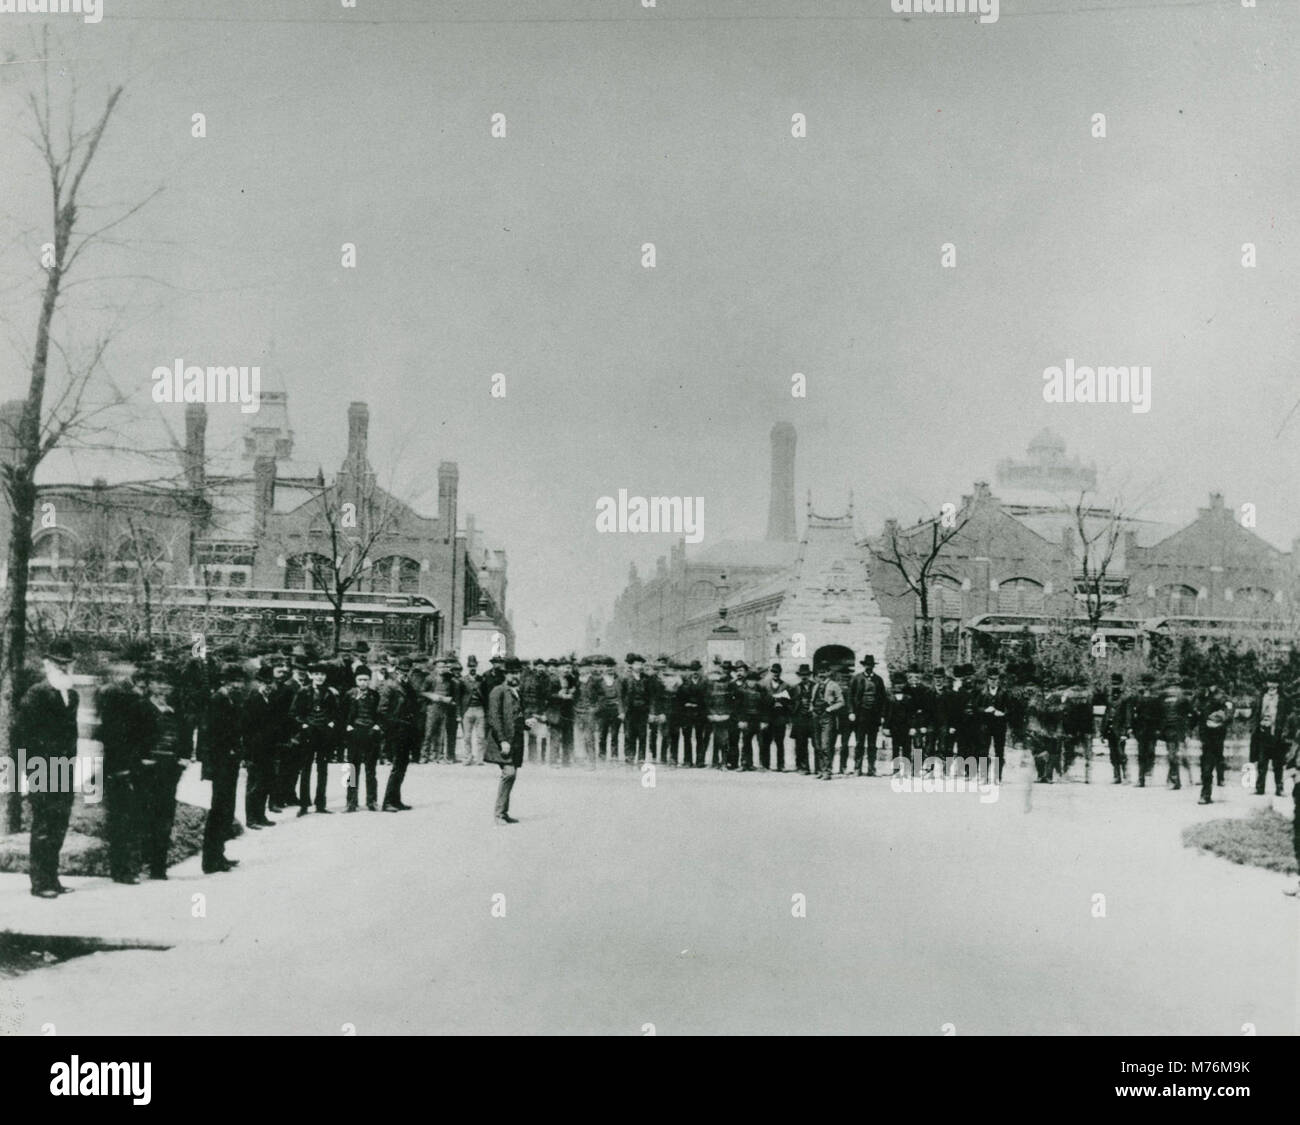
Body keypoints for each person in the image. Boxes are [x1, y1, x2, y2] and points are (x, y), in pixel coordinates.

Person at [17, 640, 80, 898]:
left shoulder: (72, 695)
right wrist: (28, 771)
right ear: (47, 664)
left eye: (67, 663)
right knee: (43, 825)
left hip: (64, 767)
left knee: (59, 823)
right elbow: (24, 735)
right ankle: (40, 882)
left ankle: (52, 878)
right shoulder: (36, 694)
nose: (63, 668)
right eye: (58, 663)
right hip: (42, 767)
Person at [96, 642, 152, 884]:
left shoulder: (134, 694)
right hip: (118, 765)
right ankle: (122, 869)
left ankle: (130, 865)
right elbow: (110, 734)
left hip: (134, 763)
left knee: (133, 817)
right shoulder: (112, 694)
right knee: (121, 819)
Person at [138, 663, 188, 880]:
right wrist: (141, 758)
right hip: (148, 768)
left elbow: (186, 734)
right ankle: (144, 860)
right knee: (146, 814)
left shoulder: (177, 710)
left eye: (166, 684)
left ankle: (159, 865)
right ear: (149, 685)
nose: (162, 689)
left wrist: (184, 759)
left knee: (165, 816)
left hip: (170, 768)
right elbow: (132, 735)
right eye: (157, 683)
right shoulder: (141, 707)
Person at [202, 664, 245, 874]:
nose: (238, 685)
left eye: (240, 681)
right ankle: (211, 860)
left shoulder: (230, 699)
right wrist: (225, 752)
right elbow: (211, 733)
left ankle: (219, 854)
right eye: (234, 681)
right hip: (221, 762)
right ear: (225, 681)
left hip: (230, 761)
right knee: (219, 809)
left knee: (226, 808)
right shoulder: (217, 700)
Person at [292, 663, 338, 815]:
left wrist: (331, 724)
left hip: (324, 734)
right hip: (308, 734)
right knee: (305, 769)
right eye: (316, 674)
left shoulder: (330, 693)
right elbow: (294, 713)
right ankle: (304, 805)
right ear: (310, 675)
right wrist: (304, 725)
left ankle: (320, 804)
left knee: (323, 769)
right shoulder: (303, 692)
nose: (320, 677)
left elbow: (335, 712)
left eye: (322, 674)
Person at [486, 657, 525, 824]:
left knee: (512, 774)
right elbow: (494, 717)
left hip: (515, 740)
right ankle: (499, 814)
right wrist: (502, 740)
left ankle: (504, 812)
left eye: (517, 672)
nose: (515, 676)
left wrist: (527, 724)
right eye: (512, 673)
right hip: (502, 740)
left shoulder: (516, 691)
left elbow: (515, 717)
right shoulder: (498, 691)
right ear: (505, 674)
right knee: (509, 773)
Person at [378, 657, 419, 811]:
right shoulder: (390, 686)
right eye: (402, 670)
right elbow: (382, 710)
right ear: (396, 670)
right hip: (396, 731)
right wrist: (392, 728)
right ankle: (387, 802)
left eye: (407, 670)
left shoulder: (408, 685)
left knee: (402, 765)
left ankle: (396, 800)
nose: (404, 673)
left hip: (407, 730)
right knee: (397, 766)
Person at [242, 665, 280, 830]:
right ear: (258, 683)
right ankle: (251, 818)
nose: (268, 686)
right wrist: (247, 753)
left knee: (265, 782)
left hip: (269, 748)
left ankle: (261, 815)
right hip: (255, 750)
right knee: (254, 784)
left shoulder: (270, 699)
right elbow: (246, 728)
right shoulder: (252, 700)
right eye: (265, 683)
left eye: (270, 683)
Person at [344, 664, 382, 810]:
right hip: (354, 733)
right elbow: (342, 713)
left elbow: (380, 713)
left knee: (371, 769)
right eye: (360, 680)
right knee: (352, 769)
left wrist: (377, 725)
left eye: (366, 680)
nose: (363, 683)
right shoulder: (349, 694)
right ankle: (351, 802)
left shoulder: (375, 695)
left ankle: (372, 801)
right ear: (355, 680)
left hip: (371, 733)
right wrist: (348, 726)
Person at [848, 654, 889, 777]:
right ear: (864, 666)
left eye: (870, 665)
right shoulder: (856, 679)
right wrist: (851, 712)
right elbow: (850, 696)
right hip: (860, 714)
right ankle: (857, 768)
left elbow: (883, 699)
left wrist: (882, 715)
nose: (869, 667)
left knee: (872, 744)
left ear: (873, 666)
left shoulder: (878, 680)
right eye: (867, 665)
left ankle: (872, 768)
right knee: (860, 742)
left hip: (874, 716)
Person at [1251, 673, 1289, 797]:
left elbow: (1287, 717)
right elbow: (1255, 714)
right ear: (1266, 684)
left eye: (1274, 682)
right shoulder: (1261, 697)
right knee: (1262, 762)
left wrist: (1284, 731)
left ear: (1278, 684)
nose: (1271, 685)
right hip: (1263, 733)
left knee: (1278, 763)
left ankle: (1279, 788)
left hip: (1277, 734)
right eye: (1269, 682)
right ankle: (1260, 787)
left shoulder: (1283, 698)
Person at [1126, 673, 1164, 788]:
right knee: (1141, 753)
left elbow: (1161, 714)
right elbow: (1131, 712)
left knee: (1151, 751)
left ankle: (1148, 772)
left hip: (1152, 728)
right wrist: (1130, 727)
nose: (1147, 686)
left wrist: (1159, 728)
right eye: (1144, 684)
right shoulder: (1137, 697)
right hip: (1141, 728)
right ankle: (1141, 778)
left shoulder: (1157, 697)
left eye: (1149, 684)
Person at [977, 667, 1012, 784]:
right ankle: (984, 776)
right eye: (991, 679)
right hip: (985, 726)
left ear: (998, 680)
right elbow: (975, 708)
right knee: (983, 751)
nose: (993, 681)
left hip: (999, 726)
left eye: (995, 679)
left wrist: (1002, 713)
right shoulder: (982, 693)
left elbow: (1010, 710)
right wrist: (985, 710)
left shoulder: (1005, 693)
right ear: (987, 680)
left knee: (999, 751)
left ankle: (998, 777)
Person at [811, 665, 846, 781]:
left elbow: (841, 702)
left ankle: (827, 771)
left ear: (828, 672)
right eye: (819, 672)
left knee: (826, 745)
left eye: (824, 672)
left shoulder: (834, 685)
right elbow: (812, 701)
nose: (821, 675)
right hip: (816, 717)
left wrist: (830, 709)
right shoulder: (816, 686)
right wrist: (812, 709)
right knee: (818, 745)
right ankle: (821, 770)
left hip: (828, 717)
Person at [620, 653, 652, 767]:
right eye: (636, 664)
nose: (639, 666)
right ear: (631, 665)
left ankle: (641, 758)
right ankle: (629, 757)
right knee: (629, 734)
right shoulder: (625, 679)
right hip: (630, 711)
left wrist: (651, 712)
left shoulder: (646, 679)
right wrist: (622, 711)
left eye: (641, 664)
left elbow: (650, 696)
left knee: (642, 735)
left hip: (643, 710)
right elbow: (621, 696)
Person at [761, 663, 791, 772]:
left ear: (780, 672)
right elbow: (761, 703)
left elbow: (788, 703)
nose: (775, 674)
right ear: (770, 672)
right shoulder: (764, 685)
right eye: (773, 672)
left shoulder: (786, 686)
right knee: (766, 742)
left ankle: (781, 765)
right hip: (767, 717)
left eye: (777, 672)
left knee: (779, 742)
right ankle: (765, 764)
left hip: (780, 717)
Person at [705, 663, 735, 770]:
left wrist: (727, 714)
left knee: (725, 739)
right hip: (715, 715)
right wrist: (712, 713)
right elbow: (708, 701)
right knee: (716, 739)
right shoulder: (711, 685)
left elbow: (733, 702)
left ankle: (724, 762)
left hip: (726, 716)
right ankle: (714, 761)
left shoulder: (731, 684)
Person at [459, 656, 487, 766]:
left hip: (480, 709)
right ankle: (468, 757)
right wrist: (459, 713)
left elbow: (485, 695)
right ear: (467, 667)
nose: (472, 668)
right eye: (470, 666)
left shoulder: (481, 680)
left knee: (481, 736)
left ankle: (480, 759)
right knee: (467, 736)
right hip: (467, 710)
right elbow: (459, 697)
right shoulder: (463, 680)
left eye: (474, 666)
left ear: (477, 666)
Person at [1100, 672, 1128, 784]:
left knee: (1121, 753)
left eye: (1117, 684)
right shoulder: (1109, 698)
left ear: (1121, 685)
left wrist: (1125, 731)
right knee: (1113, 754)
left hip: (1120, 730)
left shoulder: (1125, 698)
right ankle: (1116, 776)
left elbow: (1128, 716)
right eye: (1113, 684)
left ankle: (1126, 775)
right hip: (1110, 730)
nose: (1114, 686)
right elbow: (1106, 715)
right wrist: (1102, 732)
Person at [790, 664, 816, 774]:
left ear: (809, 675)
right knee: (800, 744)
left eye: (806, 675)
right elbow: (790, 703)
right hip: (800, 718)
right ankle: (802, 766)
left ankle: (819, 767)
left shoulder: (816, 686)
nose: (804, 677)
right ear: (799, 676)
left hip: (812, 718)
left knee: (816, 743)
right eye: (802, 675)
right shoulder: (795, 688)